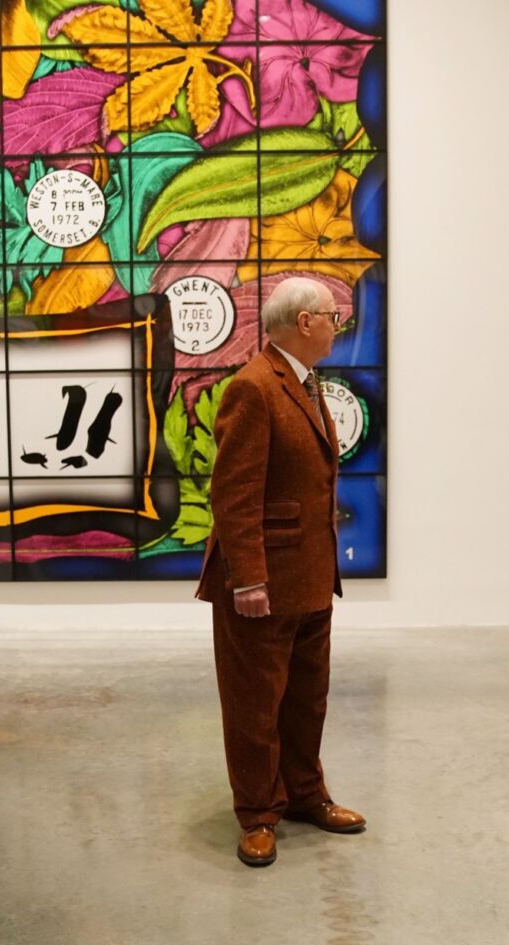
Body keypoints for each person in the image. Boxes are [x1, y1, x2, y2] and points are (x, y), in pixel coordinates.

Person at [196, 276, 365, 867]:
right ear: (303, 323)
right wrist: (247, 578)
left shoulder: (305, 382)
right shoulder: (254, 387)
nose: (336, 325)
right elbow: (234, 493)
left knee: (304, 698)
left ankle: (304, 794)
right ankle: (257, 812)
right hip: (262, 581)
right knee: (254, 704)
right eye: (330, 316)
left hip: (311, 577)